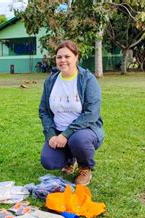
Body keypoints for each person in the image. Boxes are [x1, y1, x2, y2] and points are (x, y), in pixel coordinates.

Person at [38, 40, 104, 185]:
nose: (63, 60)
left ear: (76, 57)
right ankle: (69, 160)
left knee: (78, 140)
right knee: (48, 161)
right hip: (58, 131)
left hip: (85, 130)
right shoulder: (51, 81)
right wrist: (50, 135)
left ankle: (85, 168)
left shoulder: (87, 79)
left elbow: (91, 113)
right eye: (59, 57)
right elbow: (43, 111)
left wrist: (66, 134)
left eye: (67, 56)